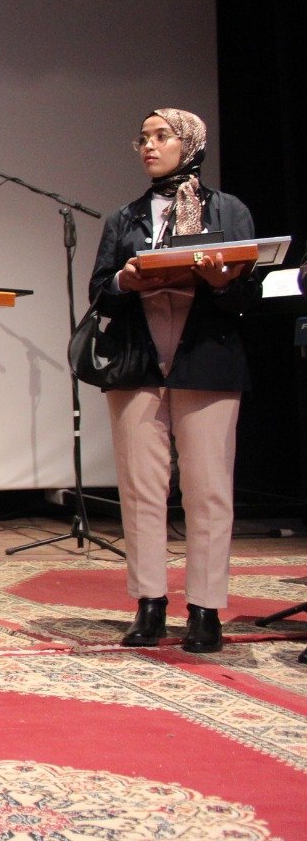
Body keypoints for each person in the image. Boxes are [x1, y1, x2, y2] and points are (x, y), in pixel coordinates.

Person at [87, 108, 259, 653]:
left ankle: (205, 610)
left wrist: (219, 280)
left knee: (209, 489)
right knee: (142, 487)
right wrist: (126, 280)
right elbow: (100, 289)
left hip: (205, 357)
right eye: (143, 138)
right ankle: (150, 603)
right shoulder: (126, 217)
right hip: (138, 361)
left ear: (189, 143)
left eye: (161, 136)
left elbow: (248, 293)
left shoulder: (227, 209)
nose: (149, 146)